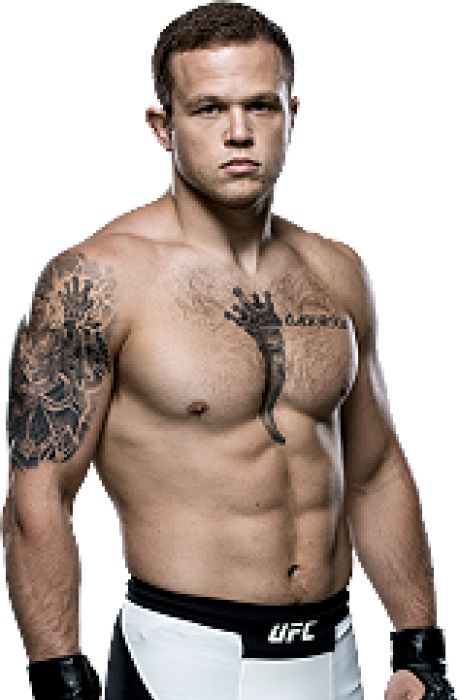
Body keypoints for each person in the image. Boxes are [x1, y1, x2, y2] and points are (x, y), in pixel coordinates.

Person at [3, 2, 457, 699]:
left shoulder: (337, 271)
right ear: (163, 126)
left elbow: (374, 470)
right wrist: (60, 676)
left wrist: (419, 645)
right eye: (209, 108)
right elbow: (39, 494)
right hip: (186, 659)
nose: (239, 132)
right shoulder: (97, 280)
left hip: (336, 654)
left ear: (292, 115)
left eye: (260, 106)